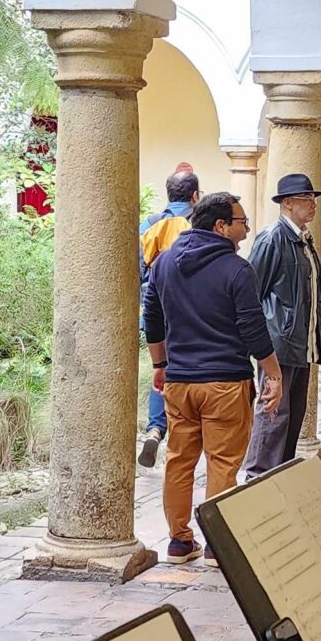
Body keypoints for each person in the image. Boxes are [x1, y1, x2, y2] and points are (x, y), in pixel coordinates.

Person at [142, 193, 283, 563]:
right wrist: (273, 373)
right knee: (222, 463)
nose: (247, 228)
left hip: (179, 381)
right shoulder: (237, 269)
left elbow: (152, 319)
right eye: (241, 221)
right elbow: (253, 329)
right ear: (220, 226)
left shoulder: (163, 263)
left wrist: (160, 365)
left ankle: (179, 541)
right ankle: (217, 544)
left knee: (179, 459)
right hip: (225, 383)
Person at [244, 172, 321, 477]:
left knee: (292, 415)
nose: (313, 205)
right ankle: (257, 477)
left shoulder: (302, 240)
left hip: (301, 345)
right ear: (288, 203)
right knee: (273, 414)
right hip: (280, 345)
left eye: (314, 199)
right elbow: (252, 294)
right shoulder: (273, 239)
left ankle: (279, 476)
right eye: (306, 199)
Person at [136, 165, 199, 468]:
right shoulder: (200, 226)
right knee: (186, 370)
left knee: (160, 367)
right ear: (196, 195)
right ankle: (181, 431)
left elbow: (137, 272)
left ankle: (155, 427)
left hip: (154, 309)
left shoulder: (148, 224)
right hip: (190, 311)